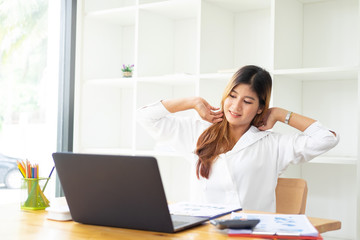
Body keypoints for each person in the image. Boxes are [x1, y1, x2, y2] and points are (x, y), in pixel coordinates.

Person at [136, 65, 339, 212]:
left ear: (260, 107)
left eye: (247, 101)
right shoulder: (198, 132)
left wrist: (280, 113)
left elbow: (326, 138)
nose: (235, 106)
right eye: (232, 96)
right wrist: (192, 101)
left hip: (253, 235)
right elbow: (145, 116)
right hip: (205, 233)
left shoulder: (273, 144)